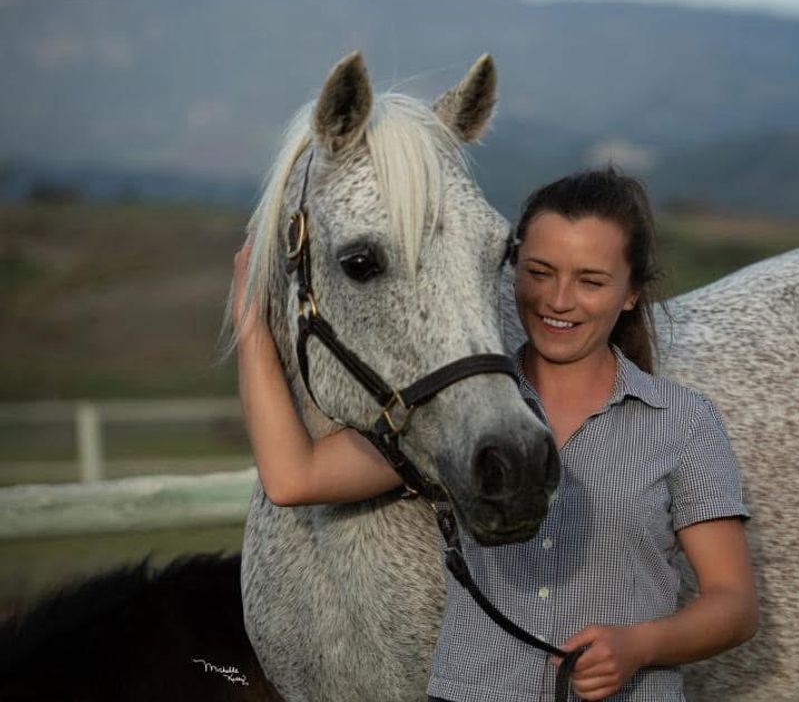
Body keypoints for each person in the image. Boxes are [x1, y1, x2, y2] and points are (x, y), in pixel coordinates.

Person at [232, 167, 758, 701]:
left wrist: (641, 645)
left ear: (629, 294)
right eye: (539, 272)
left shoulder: (682, 422)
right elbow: (293, 478)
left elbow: (733, 605)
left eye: (591, 281)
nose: (559, 299)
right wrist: (252, 322)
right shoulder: (457, 419)